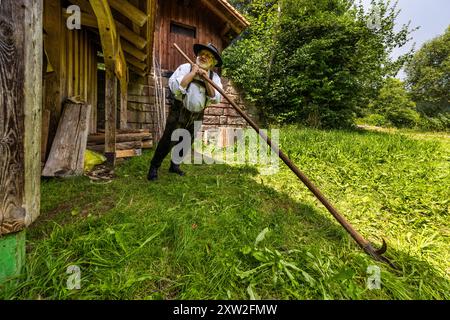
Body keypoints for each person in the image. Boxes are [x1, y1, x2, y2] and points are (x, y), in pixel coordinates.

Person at [147, 43, 223, 181]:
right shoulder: (185, 68)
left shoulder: (214, 78)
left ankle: (174, 166)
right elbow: (175, 88)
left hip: (198, 114)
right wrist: (193, 73)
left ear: (213, 63)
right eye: (202, 54)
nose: (204, 57)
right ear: (197, 55)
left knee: (186, 141)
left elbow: (216, 98)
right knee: (168, 140)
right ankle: (154, 166)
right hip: (179, 111)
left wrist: (206, 80)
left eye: (209, 56)